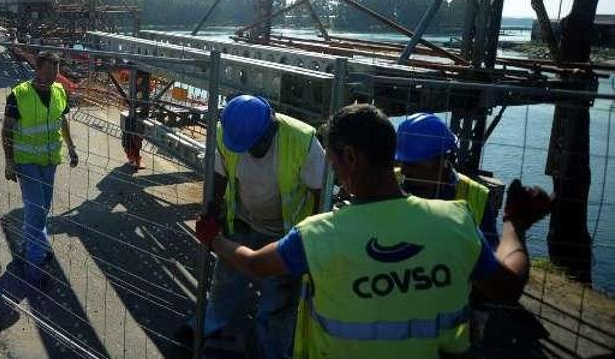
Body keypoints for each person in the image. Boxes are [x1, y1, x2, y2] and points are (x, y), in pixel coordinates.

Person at [195, 104, 551, 359]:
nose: (331, 170)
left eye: (333, 161)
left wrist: (215, 240)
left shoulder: (320, 235)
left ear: (350, 158)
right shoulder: (456, 221)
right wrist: (514, 224)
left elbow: (255, 264)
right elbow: (509, 286)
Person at [179, 95, 326, 358]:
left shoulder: (302, 140)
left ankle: (270, 351)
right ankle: (208, 326)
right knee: (225, 280)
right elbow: (219, 172)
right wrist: (212, 211)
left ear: (271, 128)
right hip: (244, 219)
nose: (250, 151)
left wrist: (313, 242)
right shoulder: (230, 131)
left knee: (276, 301)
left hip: (286, 231)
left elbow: (320, 192)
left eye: (255, 145)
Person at [2, 51, 79, 282]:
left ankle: (29, 244)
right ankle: (35, 262)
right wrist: (9, 161)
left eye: (55, 74)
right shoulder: (19, 94)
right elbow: (7, 130)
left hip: (50, 161)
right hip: (26, 162)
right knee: (35, 207)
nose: (51, 79)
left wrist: (71, 147)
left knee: (43, 207)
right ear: (37, 70)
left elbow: (62, 120)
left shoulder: (58, 91)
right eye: (47, 73)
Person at [394, 113, 499, 246]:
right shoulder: (390, 181)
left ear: (440, 162)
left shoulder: (477, 197)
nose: (403, 171)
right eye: (401, 162)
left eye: (412, 165)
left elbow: (491, 253)